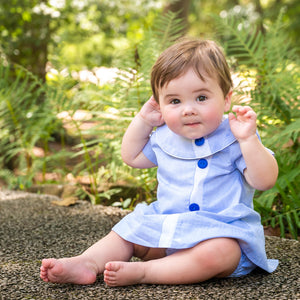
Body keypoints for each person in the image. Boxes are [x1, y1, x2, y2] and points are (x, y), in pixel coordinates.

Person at [40, 39, 279, 287]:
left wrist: (249, 139)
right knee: (129, 231)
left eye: (201, 97)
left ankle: (146, 272)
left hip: (219, 232)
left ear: (226, 99)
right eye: (174, 101)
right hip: (168, 230)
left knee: (221, 252)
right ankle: (87, 262)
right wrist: (144, 120)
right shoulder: (165, 138)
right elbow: (131, 157)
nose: (188, 109)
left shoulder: (236, 136)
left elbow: (265, 180)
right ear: (160, 105)